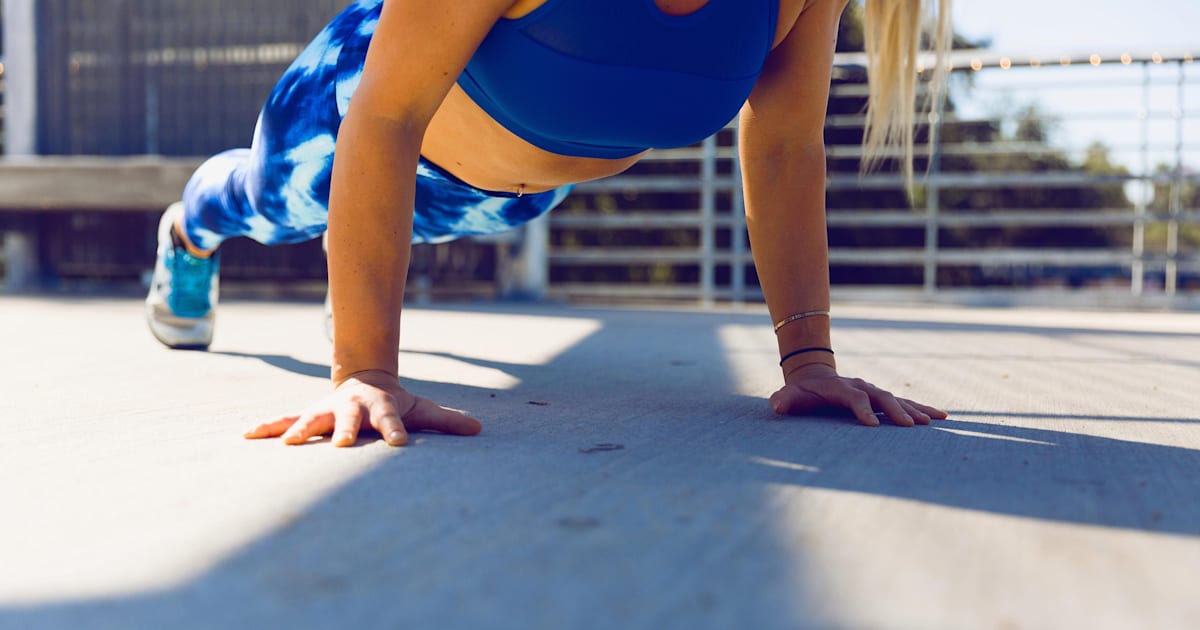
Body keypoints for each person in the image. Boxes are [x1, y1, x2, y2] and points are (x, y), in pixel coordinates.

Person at [145, 0, 952, 447]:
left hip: (509, 198)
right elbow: (385, 117)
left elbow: (783, 148)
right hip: (348, 116)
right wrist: (367, 371)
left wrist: (809, 361)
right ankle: (187, 235)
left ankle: (351, 261)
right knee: (261, 203)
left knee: (391, 230)